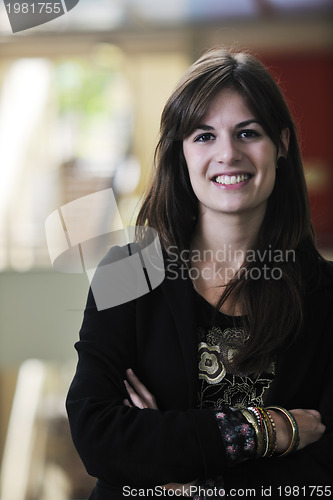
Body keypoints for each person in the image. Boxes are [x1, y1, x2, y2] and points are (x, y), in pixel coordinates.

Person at [66, 46, 333, 499]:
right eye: (204, 136)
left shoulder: (325, 294)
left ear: (282, 143)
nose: (228, 154)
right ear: (181, 152)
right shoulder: (129, 271)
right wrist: (268, 430)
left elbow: (324, 471)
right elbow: (99, 437)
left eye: (248, 133)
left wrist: (173, 465)